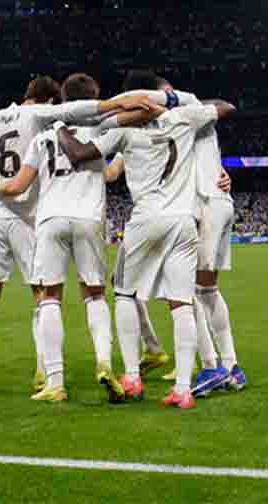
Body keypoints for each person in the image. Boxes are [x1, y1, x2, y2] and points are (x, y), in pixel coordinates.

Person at [0, 78, 159, 395]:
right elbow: (113, 127)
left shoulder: (7, 126)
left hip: (17, 214)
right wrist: (131, 103)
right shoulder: (73, 125)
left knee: (7, 292)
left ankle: (21, 378)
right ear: (51, 101)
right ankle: (87, 363)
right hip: (54, 216)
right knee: (85, 293)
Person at [65, 96, 235, 409]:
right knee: (182, 302)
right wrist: (169, 106)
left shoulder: (124, 134)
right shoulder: (181, 122)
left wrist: (59, 125)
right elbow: (226, 107)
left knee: (125, 293)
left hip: (145, 220)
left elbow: (78, 154)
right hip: (183, 223)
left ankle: (132, 376)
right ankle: (183, 390)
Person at [118, 70, 245, 396]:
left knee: (184, 294)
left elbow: (226, 105)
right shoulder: (166, 123)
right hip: (215, 203)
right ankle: (230, 366)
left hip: (203, 206)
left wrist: (167, 103)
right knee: (206, 290)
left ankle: (212, 366)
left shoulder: (185, 107)